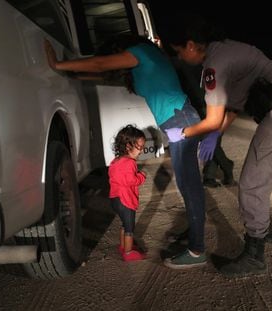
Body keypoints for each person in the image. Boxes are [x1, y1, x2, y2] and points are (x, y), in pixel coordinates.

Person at [163, 15, 272, 277]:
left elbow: (212, 118)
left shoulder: (214, 64)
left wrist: (184, 132)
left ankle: (254, 255)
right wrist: (215, 133)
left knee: (252, 183)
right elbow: (232, 108)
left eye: (178, 52)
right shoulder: (230, 48)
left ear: (189, 45)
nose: (180, 59)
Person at [44, 34, 208, 269]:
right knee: (188, 186)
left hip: (181, 120)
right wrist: (72, 73)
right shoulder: (144, 63)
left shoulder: (142, 52)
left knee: (190, 188)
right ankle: (194, 236)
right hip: (178, 120)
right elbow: (102, 73)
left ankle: (197, 249)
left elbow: (101, 64)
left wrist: (58, 65)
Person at [173, 60, 235, 188]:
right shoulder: (191, 62)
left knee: (212, 140)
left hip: (207, 105)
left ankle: (214, 173)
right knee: (212, 141)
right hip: (201, 105)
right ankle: (218, 170)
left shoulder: (185, 63)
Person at [108, 124, 147, 261]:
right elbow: (131, 180)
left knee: (124, 224)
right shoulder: (129, 163)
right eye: (140, 147)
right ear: (128, 146)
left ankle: (123, 246)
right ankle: (129, 252)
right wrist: (141, 176)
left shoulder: (115, 161)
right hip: (126, 200)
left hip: (115, 199)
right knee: (129, 227)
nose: (141, 151)